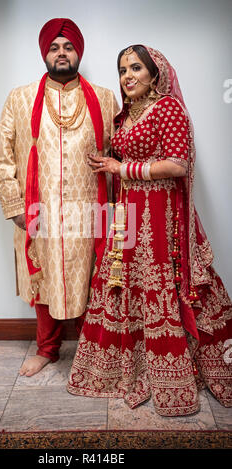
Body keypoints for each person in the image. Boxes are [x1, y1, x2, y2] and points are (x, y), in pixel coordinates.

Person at [67, 44, 232, 416]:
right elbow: (125, 158)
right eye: (123, 69)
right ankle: (126, 371)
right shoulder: (126, 116)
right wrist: (106, 162)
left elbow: (176, 164)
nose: (128, 76)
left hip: (161, 215)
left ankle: (177, 372)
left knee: (163, 285)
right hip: (127, 214)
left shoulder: (167, 108)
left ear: (155, 74)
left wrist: (122, 169)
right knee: (123, 283)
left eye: (136, 68)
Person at [0, 18, 119, 376]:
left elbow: (120, 153)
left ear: (79, 52)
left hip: (89, 211)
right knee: (45, 278)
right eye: (54, 47)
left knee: (90, 278)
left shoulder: (105, 99)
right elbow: (1, 155)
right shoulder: (20, 98)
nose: (61, 53)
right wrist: (16, 207)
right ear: (44, 54)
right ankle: (47, 350)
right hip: (38, 209)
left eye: (68, 47)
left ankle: (91, 350)